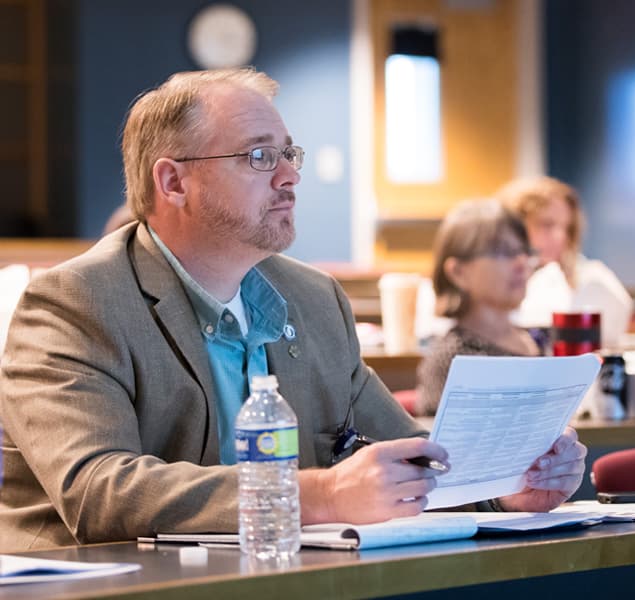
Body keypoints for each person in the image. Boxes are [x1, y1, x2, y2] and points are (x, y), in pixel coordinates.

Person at [0, 68, 587, 551]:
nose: (291, 176)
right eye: (259, 157)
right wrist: (322, 494)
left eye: (288, 154)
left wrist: (504, 487)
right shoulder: (75, 303)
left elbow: (411, 455)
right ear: (173, 182)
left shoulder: (315, 299)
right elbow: (100, 494)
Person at [415, 199, 543, 415]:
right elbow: (444, 446)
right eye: (502, 252)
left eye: (524, 251)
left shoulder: (539, 340)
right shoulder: (453, 358)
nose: (522, 264)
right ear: (458, 272)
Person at [496, 176, 632, 348]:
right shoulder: (492, 282)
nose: (559, 237)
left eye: (566, 228)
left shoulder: (589, 279)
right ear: (513, 226)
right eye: (546, 224)